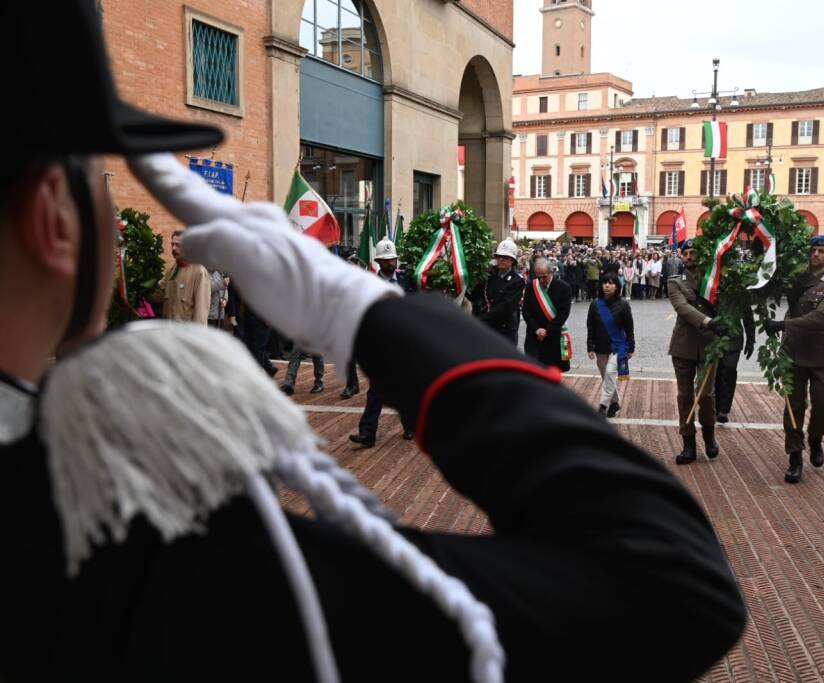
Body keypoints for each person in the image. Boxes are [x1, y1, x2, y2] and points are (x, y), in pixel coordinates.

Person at [0, 4, 746, 680]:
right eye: (98, 174)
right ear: (55, 219)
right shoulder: (127, 547)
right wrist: (365, 310)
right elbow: (673, 589)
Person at [764, 235, 824, 484]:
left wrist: (782, 324)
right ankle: (795, 456)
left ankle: (815, 438)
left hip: (821, 354)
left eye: (822, 251)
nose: (816, 255)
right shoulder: (796, 279)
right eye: (813, 251)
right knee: (794, 407)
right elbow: (768, 285)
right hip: (794, 351)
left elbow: (823, 317)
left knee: (823, 405)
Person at [667, 240, 727, 465]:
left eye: (694, 253)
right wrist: (709, 322)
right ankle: (688, 443)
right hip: (684, 346)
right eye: (686, 253)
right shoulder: (675, 282)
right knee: (685, 397)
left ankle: (709, 436)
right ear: (681, 257)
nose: (690, 256)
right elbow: (682, 307)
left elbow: (728, 304)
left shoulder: (715, 280)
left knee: (706, 395)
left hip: (710, 347)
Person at [350, 238, 415, 445]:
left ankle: (410, 425)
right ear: (378, 261)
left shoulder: (407, 280)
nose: (390, 263)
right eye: (386, 260)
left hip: (403, 343)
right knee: (376, 391)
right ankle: (367, 433)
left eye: (392, 259)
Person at [587, 274, 635, 417]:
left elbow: (629, 327)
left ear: (617, 287)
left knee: (609, 373)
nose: (607, 286)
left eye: (611, 283)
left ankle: (603, 405)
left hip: (618, 346)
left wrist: (631, 347)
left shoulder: (624, 305)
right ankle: (615, 403)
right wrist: (590, 346)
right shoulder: (595, 304)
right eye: (604, 283)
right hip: (600, 347)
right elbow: (590, 326)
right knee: (606, 377)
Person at [521, 257, 572, 372]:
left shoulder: (564, 288)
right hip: (534, 336)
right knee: (532, 371)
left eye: (544, 276)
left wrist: (546, 331)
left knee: (553, 373)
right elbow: (526, 311)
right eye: (538, 277)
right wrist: (537, 329)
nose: (541, 280)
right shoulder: (531, 287)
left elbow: (563, 314)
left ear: (551, 272)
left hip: (553, 336)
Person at [471, 239, 526, 346]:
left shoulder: (517, 281)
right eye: (499, 256)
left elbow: (506, 307)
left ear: (512, 261)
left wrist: (482, 319)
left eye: (505, 257)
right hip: (484, 328)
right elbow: (475, 295)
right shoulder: (488, 275)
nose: (501, 259)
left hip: (504, 330)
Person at [156, 229, 211, 323]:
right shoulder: (171, 271)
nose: (173, 248)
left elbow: (200, 314)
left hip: (186, 334)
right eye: (172, 244)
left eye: (178, 245)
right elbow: (157, 295)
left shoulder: (199, 272)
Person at [714, 306, 756, 424]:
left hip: (734, 337)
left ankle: (724, 409)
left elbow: (748, 317)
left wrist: (750, 341)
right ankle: (716, 405)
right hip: (714, 335)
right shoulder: (713, 288)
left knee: (729, 370)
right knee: (716, 372)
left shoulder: (740, 290)